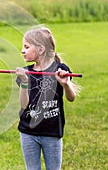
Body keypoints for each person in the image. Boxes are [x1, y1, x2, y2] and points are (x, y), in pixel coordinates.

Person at [15, 26, 80, 170]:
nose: (22, 50)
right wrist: (24, 82)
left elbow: (71, 98)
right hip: (28, 132)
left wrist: (66, 84)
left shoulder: (60, 69)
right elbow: (24, 105)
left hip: (52, 132)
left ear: (40, 49)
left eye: (26, 47)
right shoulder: (26, 72)